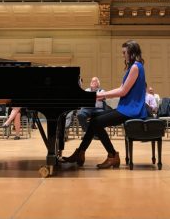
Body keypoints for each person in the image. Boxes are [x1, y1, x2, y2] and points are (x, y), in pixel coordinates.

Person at [62, 40, 147, 169]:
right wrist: (100, 95)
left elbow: (123, 92)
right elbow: (122, 88)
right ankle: (81, 152)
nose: (123, 55)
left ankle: (112, 155)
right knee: (94, 121)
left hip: (131, 110)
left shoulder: (136, 67)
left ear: (131, 52)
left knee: (95, 122)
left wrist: (99, 95)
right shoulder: (134, 67)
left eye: (124, 52)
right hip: (126, 108)